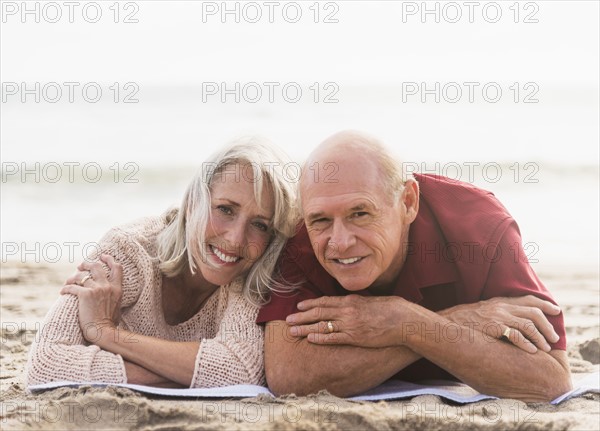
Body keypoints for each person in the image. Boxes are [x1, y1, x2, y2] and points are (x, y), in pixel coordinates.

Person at [259, 130, 572, 402]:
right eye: (322, 220)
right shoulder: (300, 236)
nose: (339, 242)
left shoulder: (480, 226)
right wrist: (447, 323)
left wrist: (400, 320)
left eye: (360, 214)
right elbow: (289, 375)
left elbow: (551, 381)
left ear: (407, 202)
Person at [27, 137, 299, 388]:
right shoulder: (127, 251)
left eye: (260, 225)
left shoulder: (254, 268)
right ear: (193, 202)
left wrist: (109, 336)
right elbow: (45, 366)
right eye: (225, 209)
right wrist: (188, 373)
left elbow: (239, 370)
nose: (236, 239)